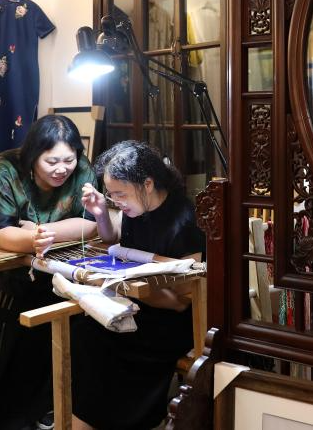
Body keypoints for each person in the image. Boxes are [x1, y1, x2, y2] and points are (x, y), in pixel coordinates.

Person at [0, 114, 100, 430]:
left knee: (40, 341)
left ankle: (37, 414)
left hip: (47, 257)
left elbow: (89, 223)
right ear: (33, 154)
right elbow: (1, 233)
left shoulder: (81, 168)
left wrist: (41, 232)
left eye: (69, 160)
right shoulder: (5, 169)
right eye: (52, 161)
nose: (62, 168)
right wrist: (35, 238)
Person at [71, 140, 206, 430]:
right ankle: (88, 419)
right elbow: (112, 240)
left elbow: (182, 301)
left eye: (120, 194)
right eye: (111, 194)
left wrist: (126, 286)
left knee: (106, 344)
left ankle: (120, 421)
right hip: (138, 305)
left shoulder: (185, 221)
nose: (116, 201)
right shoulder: (137, 208)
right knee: (84, 330)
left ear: (147, 183)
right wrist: (101, 213)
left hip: (170, 323)